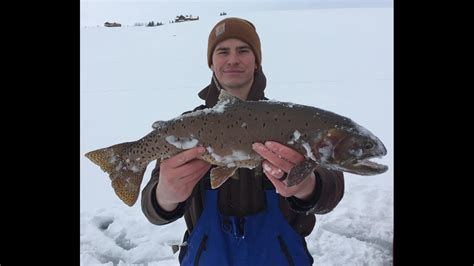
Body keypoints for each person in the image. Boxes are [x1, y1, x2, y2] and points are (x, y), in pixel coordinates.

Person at [141, 17, 345, 265]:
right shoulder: (187, 126)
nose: (233, 59)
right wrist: (165, 195)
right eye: (223, 51)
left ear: (256, 60)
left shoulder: (286, 120)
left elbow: (331, 190)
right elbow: (153, 210)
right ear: (211, 63)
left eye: (243, 50)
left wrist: (308, 187)